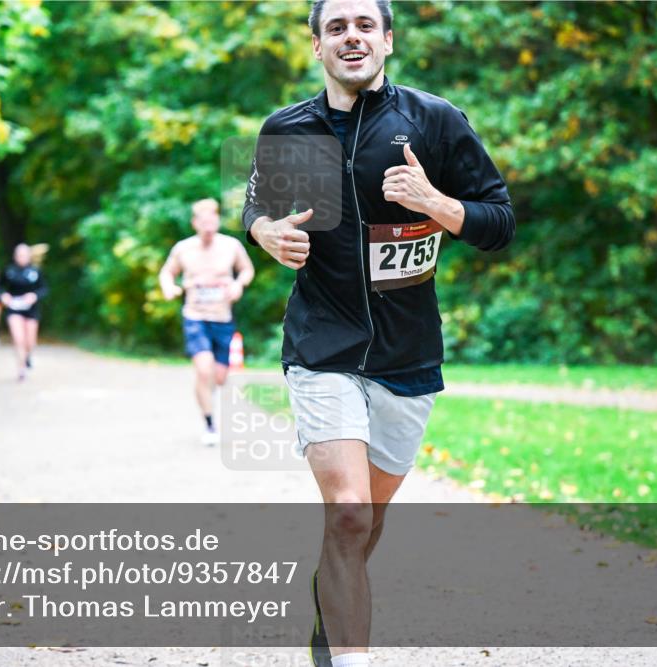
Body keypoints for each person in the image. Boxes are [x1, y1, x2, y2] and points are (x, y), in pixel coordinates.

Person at [241, 1, 515, 665]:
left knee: (369, 518)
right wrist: (263, 232)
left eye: (365, 24)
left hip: (408, 351)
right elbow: (259, 203)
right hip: (322, 344)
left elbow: (498, 221)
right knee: (349, 513)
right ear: (315, 45)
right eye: (336, 26)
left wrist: (435, 204)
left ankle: (329, 608)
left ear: (387, 39)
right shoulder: (289, 129)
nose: (352, 36)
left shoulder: (436, 121)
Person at [159, 198, 255, 446]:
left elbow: (246, 270)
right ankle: (210, 423)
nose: (208, 225)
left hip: (222, 318)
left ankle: (209, 401)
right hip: (195, 316)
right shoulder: (183, 248)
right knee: (204, 370)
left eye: (212, 220)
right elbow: (167, 273)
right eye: (203, 221)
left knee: (219, 377)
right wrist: (169, 287)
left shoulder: (231, 246)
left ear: (217, 220)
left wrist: (237, 284)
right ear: (195, 223)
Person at [0, 244, 48, 381]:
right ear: (15, 256)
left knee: (30, 341)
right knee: (18, 339)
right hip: (14, 308)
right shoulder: (9, 271)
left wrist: (34, 296)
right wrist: (4, 295)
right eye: (19, 255)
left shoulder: (35, 271)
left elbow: (44, 289)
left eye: (24, 255)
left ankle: (28, 356)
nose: (22, 257)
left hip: (31, 309)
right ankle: (21, 369)